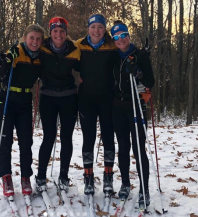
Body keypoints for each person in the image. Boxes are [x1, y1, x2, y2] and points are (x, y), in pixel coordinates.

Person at [0, 24, 44, 197]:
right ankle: (6, 176)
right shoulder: (15, 51)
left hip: (24, 101)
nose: (35, 42)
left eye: (38, 39)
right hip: (6, 100)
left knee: (26, 142)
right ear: (24, 38)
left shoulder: (41, 57)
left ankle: (25, 177)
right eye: (31, 38)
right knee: (5, 141)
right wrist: (5, 61)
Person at [111, 20, 155, 207]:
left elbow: (150, 81)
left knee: (138, 149)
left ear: (128, 35)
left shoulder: (140, 55)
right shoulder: (113, 56)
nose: (120, 39)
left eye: (123, 35)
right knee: (123, 147)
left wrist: (138, 72)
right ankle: (125, 184)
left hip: (136, 105)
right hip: (117, 106)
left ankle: (144, 189)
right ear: (113, 40)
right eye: (116, 37)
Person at [35, 17, 80, 193]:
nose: (59, 35)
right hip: (48, 97)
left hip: (69, 97)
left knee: (67, 137)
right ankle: (40, 176)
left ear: (66, 33)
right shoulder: (42, 47)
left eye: (62, 31)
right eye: (55, 31)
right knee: (49, 136)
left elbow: (87, 67)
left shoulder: (74, 50)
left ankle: (63, 175)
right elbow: (25, 48)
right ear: (50, 32)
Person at [75, 14, 117, 196]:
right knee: (88, 138)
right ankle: (88, 177)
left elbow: (126, 53)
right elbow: (63, 56)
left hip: (107, 98)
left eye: (100, 27)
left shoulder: (112, 45)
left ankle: (108, 177)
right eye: (93, 27)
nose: (96, 31)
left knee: (108, 137)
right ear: (88, 28)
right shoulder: (79, 45)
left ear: (104, 29)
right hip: (86, 99)